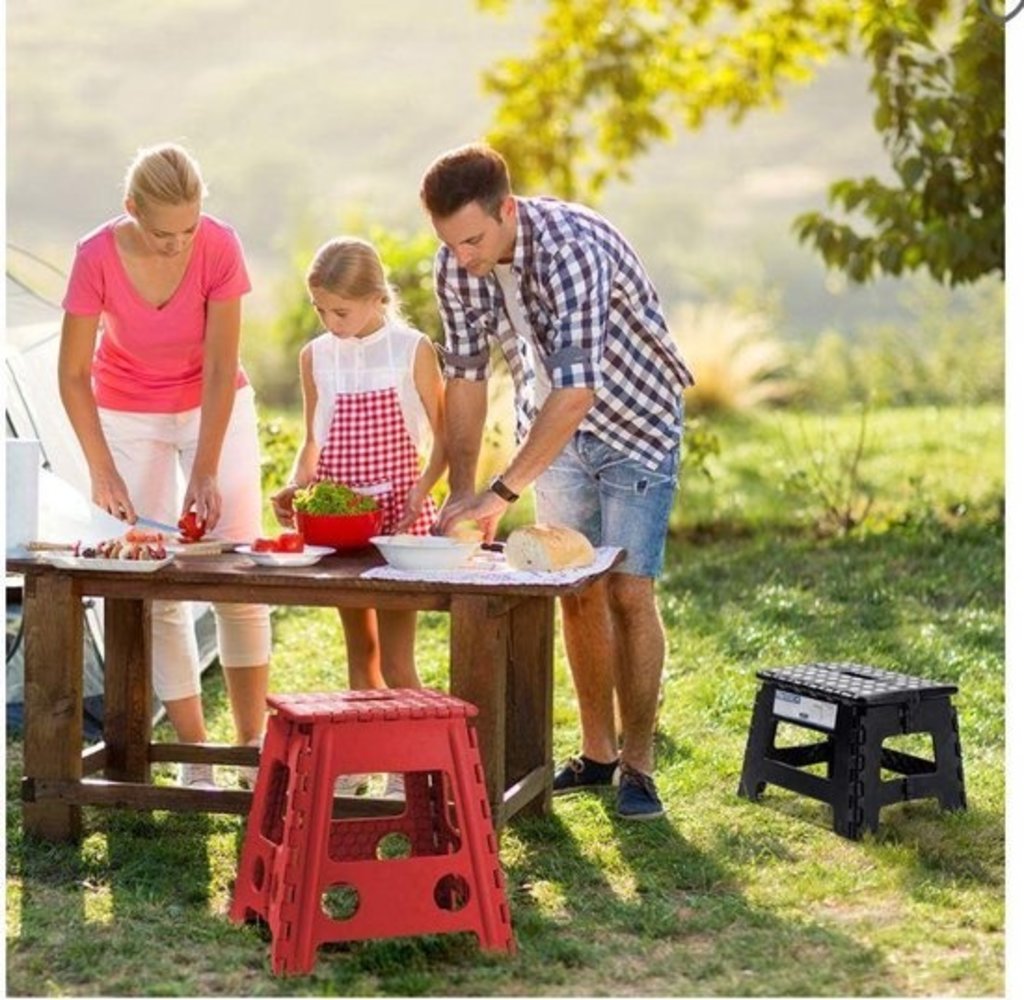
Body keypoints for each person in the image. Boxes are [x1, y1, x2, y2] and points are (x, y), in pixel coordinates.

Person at [421, 143, 694, 821]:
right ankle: (597, 755)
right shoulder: (458, 264)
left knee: (629, 591)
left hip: (635, 423)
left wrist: (502, 492)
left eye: (474, 240)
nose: (464, 258)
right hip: (549, 433)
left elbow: (577, 391)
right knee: (575, 590)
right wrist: (462, 489)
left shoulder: (571, 248)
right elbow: (464, 375)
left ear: (507, 210)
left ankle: (639, 767)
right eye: (451, 244)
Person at [59, 142, 271, 788]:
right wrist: (102, 470)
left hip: (215, 405)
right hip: (127, 412)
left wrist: (204, 469)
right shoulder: (95, 256)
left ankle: (251, 747)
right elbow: (71, 375)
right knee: (156, 576)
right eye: (162, 232)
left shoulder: (219, 245)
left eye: (189, 227)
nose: (178, 244)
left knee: (239, 568)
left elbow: (217, 366)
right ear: (131, 210)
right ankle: (194, 757)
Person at [270, 237, 447, 796]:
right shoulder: (315, 356)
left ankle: (411, 767)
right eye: (320, 310)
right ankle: (369, 759)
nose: (329, 321)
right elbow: (313, 442)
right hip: (342, 524)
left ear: (377, 297)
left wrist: (423, 489)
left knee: (397, 660)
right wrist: (299, 488)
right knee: (360, 653)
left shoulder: (411, 349)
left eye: (340, 311)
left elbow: (444, 440)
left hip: (397, 523)